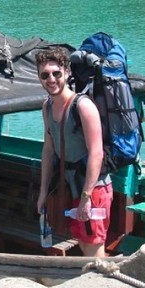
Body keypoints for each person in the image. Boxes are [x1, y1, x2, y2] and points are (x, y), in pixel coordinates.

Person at [35, 47, 113, 258]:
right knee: (82, 239)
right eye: (45, 75)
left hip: (93, 188)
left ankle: (101, 287)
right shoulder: (47, 107)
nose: (51, 79)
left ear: (67, 72)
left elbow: (97, 154)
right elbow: (48, 150)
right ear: (39, 78)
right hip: (70, 186)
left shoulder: (83, 106)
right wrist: (43, 192)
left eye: (56, 73)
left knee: (93, 245)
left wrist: (86, 198)